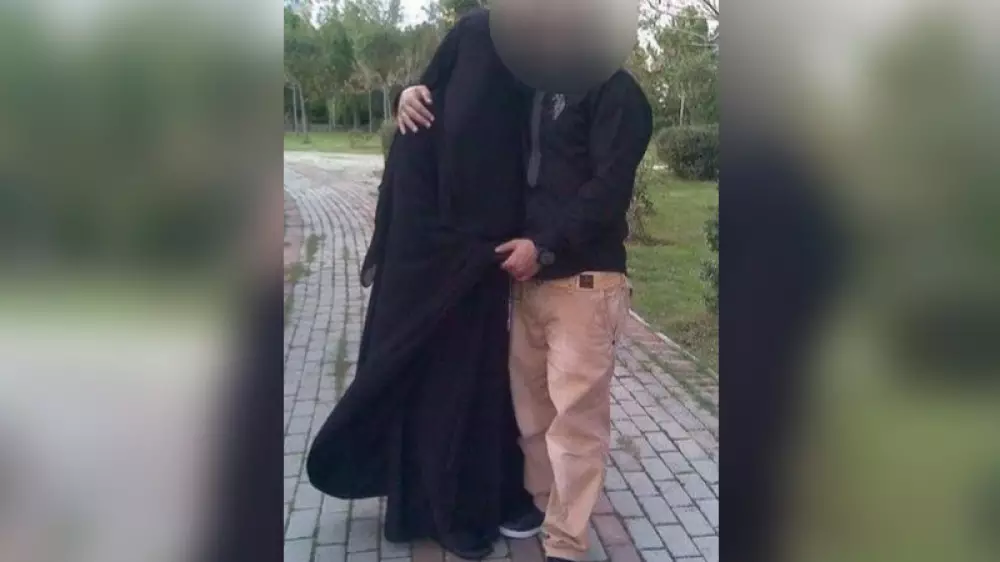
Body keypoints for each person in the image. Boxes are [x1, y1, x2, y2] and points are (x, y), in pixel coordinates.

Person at [305, 9, 535, 561]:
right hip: (429, 282)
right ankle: (434, 511)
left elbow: (531, 157)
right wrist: (469, 250)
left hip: (484, 274)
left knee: (478, 391)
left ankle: (480, 498)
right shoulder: (421, 131)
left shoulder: (525, 80)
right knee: (432, 389)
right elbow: (410, 225)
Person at [397, 68, 653, 562]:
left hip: (585, 285)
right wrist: (408, 92)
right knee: (531, 415)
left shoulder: (615, 91)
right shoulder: (532, 83)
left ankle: (566, 543)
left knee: (575, 424)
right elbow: (468, 101)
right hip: (527, 284)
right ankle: (542, 504)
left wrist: (545, 245)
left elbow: (609, 188)